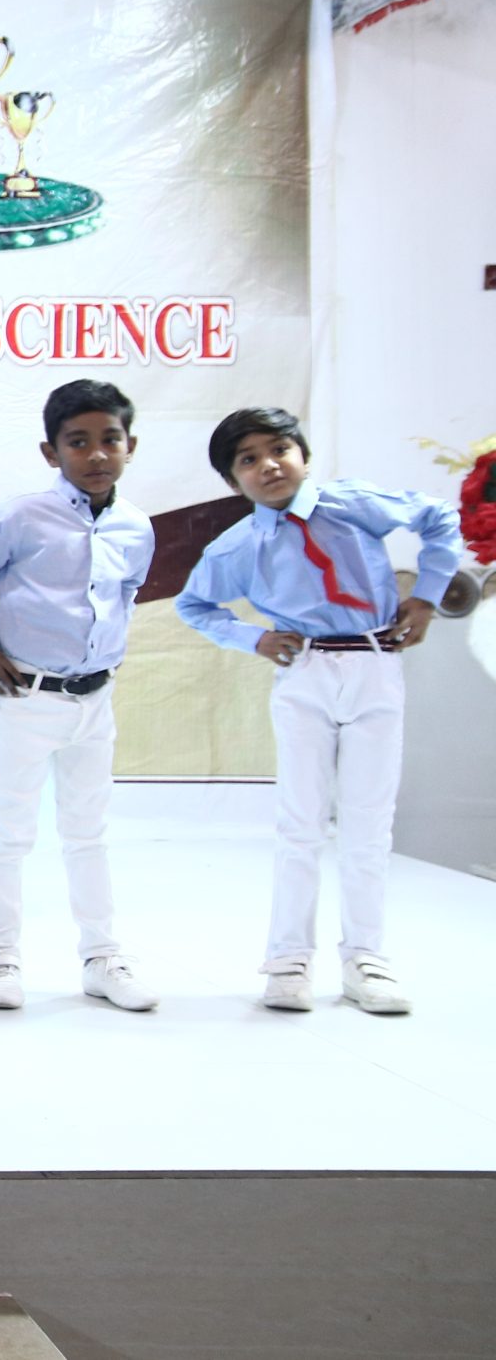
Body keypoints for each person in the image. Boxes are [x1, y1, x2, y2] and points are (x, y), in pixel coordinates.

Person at [175, 407, 463, 1016]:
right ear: (232, 481)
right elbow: (194, 606)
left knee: (368, 820)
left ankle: (366, 958)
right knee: (299, 823)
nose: (268, 465)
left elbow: (439, 516)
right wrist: (252, 638)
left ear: (304, 456)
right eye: (248, 459)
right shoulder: (238, 546)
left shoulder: (351, 504)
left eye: (279, 449)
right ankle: (288, 960)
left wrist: (426, 598)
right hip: (304, 673)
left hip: (375, 665)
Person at [0, 381, 158, 1013]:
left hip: (94, 701)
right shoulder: (23, 517)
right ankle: (1, 958)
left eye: (110, 440)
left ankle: (102, 957)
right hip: (25, 695)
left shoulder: (136, 526)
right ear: (51, 451)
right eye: (79, 442)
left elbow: (126, 594)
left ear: (130, 445)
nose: (97, 454)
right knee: (10, 833)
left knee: (89, 832)